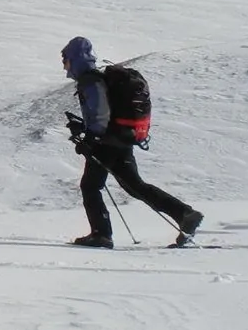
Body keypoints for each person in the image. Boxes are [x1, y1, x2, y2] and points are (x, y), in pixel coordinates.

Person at [62, 36, 204, 248]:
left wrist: (90, 138)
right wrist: (83, 127)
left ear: (74, 58)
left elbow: (100, 114)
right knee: (135, 186)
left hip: (106, 142)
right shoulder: (97, 78)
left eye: (66, 59)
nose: (64, 65)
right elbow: (102, 114)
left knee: (90, 186)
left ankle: (101, 235)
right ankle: (185, 213)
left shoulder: (90, 80)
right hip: (121, 138)